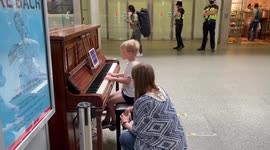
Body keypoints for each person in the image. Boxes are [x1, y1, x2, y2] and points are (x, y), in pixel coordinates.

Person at [119, 63, 187, 150]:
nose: (133, 81)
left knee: (125, 137)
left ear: (138, 80)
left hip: (163, 146)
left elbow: (138, 131)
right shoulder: (160, 90)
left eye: (133, 78)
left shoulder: (143, 101)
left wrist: (125, 122)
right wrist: (130, 108)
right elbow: (153, 107)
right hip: (178, 143)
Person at [102, 39, 140, 131]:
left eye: (122, 52)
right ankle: (107, 119)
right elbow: (127, 75)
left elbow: (127, 81)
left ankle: (114, 122)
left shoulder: (133, 65)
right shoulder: (132, 62)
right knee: (108, 97)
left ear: (130, 53)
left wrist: (113, 78)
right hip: (127, 91)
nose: (120, 53)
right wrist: (115, 74)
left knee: (109, 102)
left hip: (130, 95)